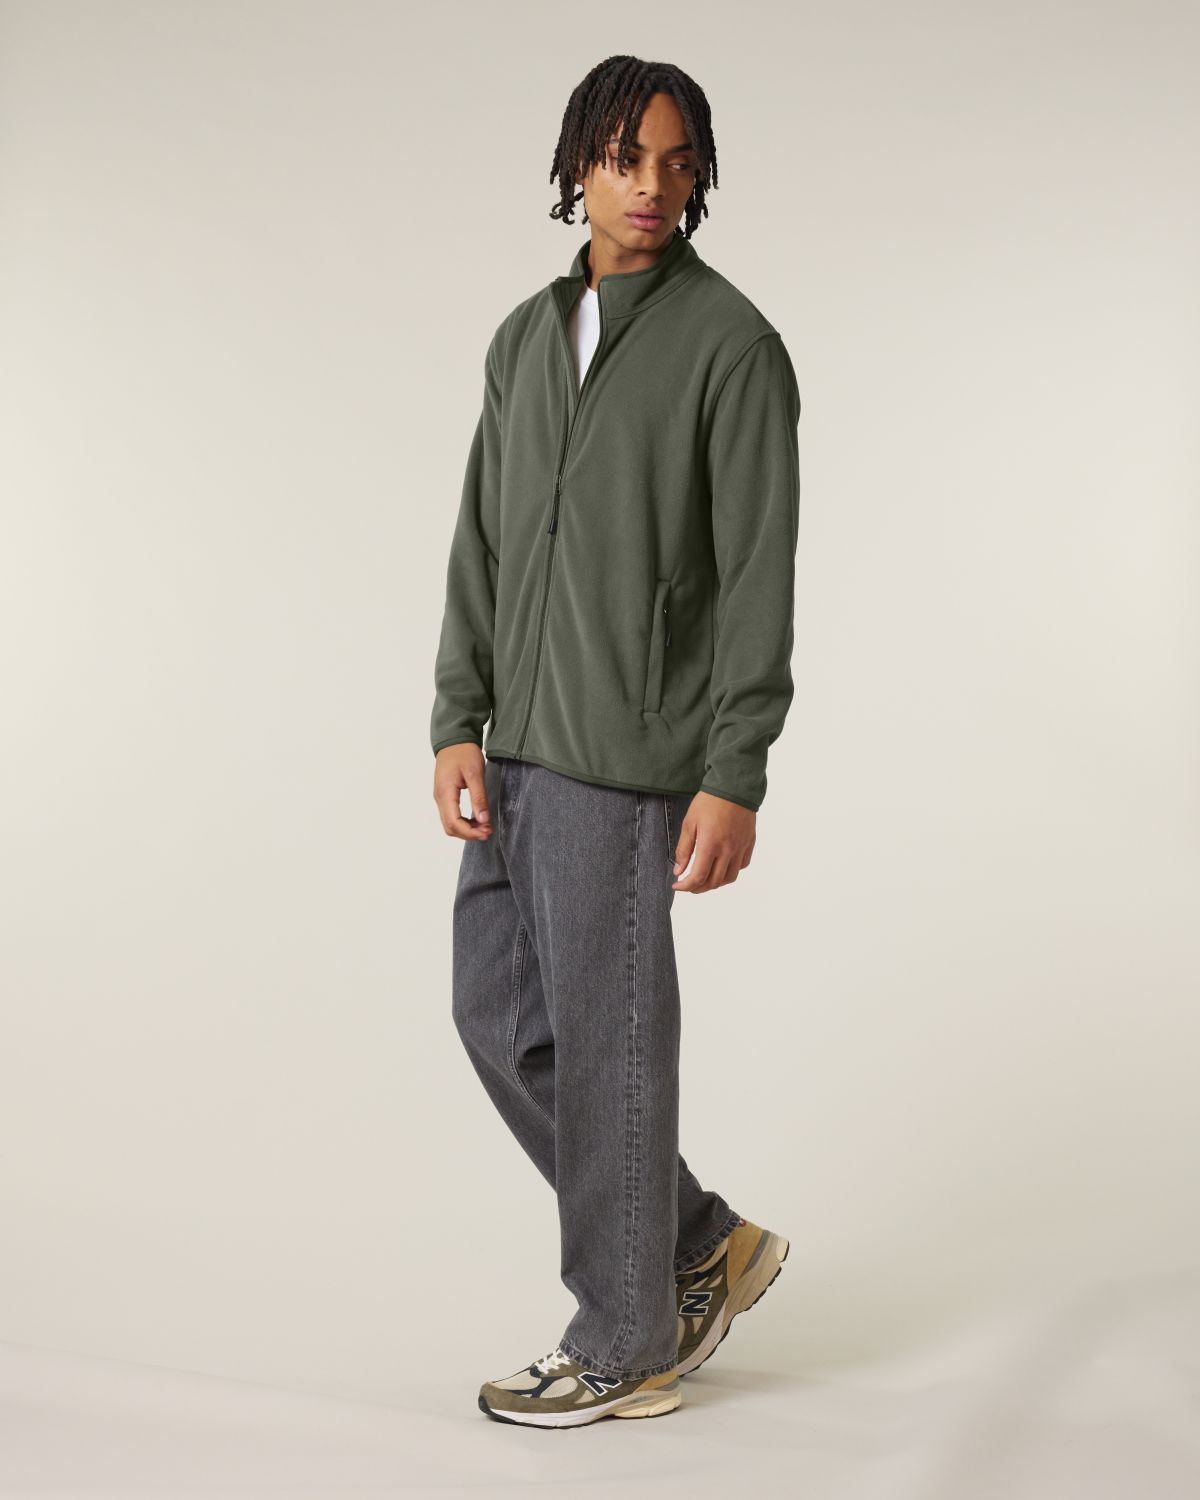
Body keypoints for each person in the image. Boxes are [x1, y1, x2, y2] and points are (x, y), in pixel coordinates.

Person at [430, 55, 800, 1429]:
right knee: (499, 1020)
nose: (651, 186)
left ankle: (626, 1341)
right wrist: (456, 716)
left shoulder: (731, 347)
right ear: (577, 166)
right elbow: (481, 537)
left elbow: (756, 574)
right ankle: (697, 1242)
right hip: (516, 745)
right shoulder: (525, 339)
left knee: (608, 1050)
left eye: (676, 161)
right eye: (624, 157)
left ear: (699, 175)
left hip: (630, 756)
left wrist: (733, 771)